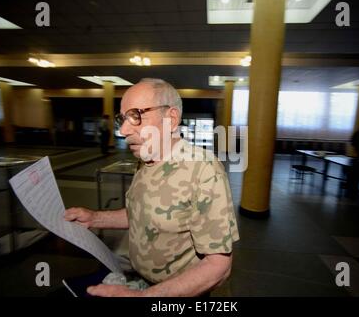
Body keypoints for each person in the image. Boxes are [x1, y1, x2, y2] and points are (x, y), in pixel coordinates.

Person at [65, 78, 239, 297]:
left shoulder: (203, 170)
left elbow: (218, 266)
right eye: (123, 119)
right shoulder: (147, 159)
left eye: (136, 116)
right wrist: (95, 218)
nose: (125, 130)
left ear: (171, 119)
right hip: (138, 278)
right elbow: (141, 214)